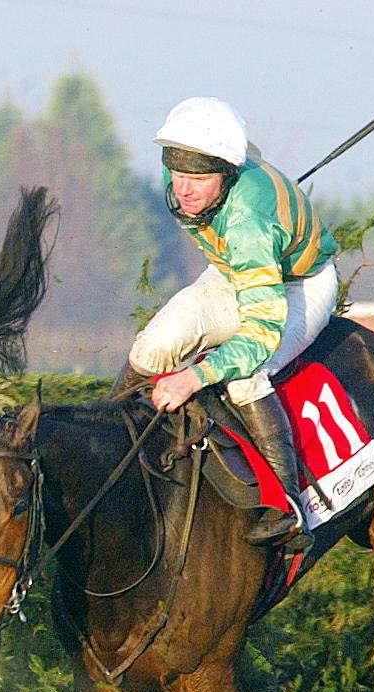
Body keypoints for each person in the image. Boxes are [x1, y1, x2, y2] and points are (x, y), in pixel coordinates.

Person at [115, 97, 339, 547]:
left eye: (198, 180)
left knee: (246, 376)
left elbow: (257, 335)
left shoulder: (250, 225)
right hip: (233, 271)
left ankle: (288, 507)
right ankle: (112, 443)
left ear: (228, 174)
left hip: (299, 286)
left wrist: (193, 378)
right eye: (177, 176)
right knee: (152, 346)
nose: (183, 190)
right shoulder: (185, 169)